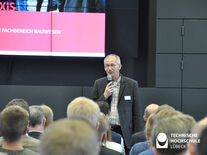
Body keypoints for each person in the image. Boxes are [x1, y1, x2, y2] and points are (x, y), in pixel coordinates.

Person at [92, 54, 142, 151]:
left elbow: (137, 114)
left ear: (119, 66)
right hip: (105, 131)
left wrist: (137, 138)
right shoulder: (99, 83)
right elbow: (93, 109)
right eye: (107, 65)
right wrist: (104, 96)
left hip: (125, 132)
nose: (109, 68)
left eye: (112, 65)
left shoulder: (131, 84)